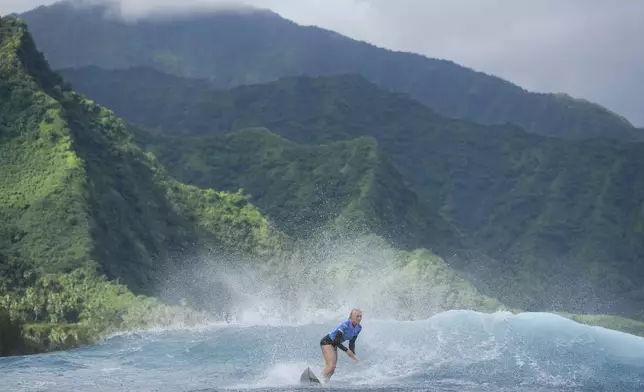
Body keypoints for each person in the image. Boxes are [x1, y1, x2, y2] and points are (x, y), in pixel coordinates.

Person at [319, 308, 362, 382]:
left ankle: (324, 382)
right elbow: (336, 341)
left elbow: (352, 342)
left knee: (333, 368)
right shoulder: (345, 325)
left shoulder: (358, 328)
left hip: (334, 344)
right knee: (331, 366)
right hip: (327, 341)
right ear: (351, 316)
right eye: (357, 316)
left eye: (360, 316)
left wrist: (353, 355)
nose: (359, 318)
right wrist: (347, 350)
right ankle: (319, 379)